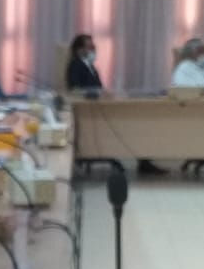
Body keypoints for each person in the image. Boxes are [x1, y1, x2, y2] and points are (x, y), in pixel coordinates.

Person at [67, 34, 167, 176]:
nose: (93, 49)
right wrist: (95, 93)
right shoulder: (75, 65)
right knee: (130, 126)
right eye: (90, 47)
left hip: (101, 108)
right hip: (90, 114)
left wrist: (104, 93)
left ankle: (144, 161)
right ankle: (143, 162)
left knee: (138, 125)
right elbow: (75, 89)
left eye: (93, 47)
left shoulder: (91, 66)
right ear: (79, 50)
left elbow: (99, 88)